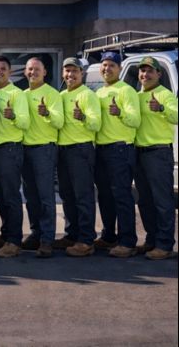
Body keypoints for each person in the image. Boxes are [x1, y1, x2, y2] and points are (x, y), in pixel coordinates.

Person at [94, 51, 141, 258]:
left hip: (120, 149)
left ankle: (127, 241)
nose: (107, 68)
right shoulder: (98, 93)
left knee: (122, 195)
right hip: (101, 149)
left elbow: (135, 120)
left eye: (112, 65)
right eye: (104, 65)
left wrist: (120, 113)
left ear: (120, 69)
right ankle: (109, 236)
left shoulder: (126, 91)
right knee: (105, 196)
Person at [133, 56, 178, 260]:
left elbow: (176, 116)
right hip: (139, 153)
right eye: (143, 70)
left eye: (150, 71)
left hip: (159, 153)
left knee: (163, 201)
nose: (145, 74)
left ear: (159, 74)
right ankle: (151, 240)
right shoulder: (137, 96)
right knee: (145, 201)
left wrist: (161, 108)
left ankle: (165, 244)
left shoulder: (165, 95)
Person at [55, 57, 101, 258]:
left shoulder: (88, 95)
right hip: (63, 150)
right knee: (67, 195)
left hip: (80, 150)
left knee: (83, 196)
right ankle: (71, 234)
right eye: (67, 71)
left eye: (74, 71)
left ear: (81, 73)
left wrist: (82, 116)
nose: (70, 75)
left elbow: (96, 124)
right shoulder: (62, 94)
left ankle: (86, 239)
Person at [20, 57, 63, 258]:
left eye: (37, 69)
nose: (33, 72)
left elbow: (59, 122)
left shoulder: (52, 94)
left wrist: (46, 113)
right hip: (25, 149)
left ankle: (47, 239)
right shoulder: (23, 95)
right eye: (29, 69)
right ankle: (35, 232)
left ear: (45, 72)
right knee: (30, 196)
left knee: (45, 196)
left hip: (44, 149)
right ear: (24, 72)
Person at [0, 55, 29, 258]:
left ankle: (14, 240)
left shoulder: (16, 94)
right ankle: (5, 234)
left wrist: (13, 116)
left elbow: (25, 122)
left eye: (3, 69)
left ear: (9, 72)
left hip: (10, 149)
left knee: (11, 196)